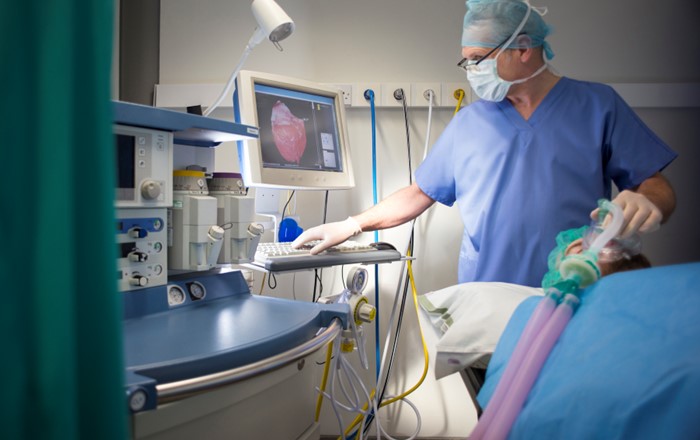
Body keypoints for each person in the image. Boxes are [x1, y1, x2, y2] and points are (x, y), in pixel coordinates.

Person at [293, 0, 677, 287]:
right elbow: (418, 193)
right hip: (487, 298)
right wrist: (350, 225)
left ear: (523, 49)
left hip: (576, 292)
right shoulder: (471, 123)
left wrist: (650, 201)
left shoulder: (598, 106)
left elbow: (655, 185)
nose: (471, 70)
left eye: (478, 59)